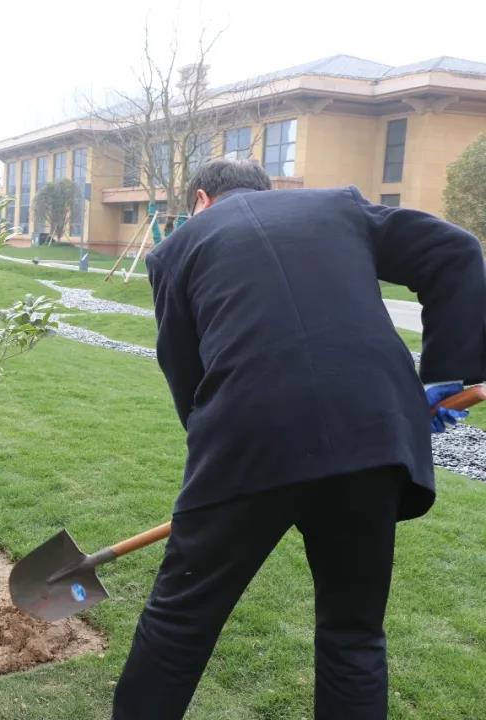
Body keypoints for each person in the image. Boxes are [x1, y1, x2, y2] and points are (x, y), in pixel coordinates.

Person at [112, 159, 485, 719]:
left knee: (179, 622)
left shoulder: (178, 246)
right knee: (352, 634)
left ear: (200, 200)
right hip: (375, 434)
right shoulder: (339, 205)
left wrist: (220, 460)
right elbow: (456, 251)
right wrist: (444, 375)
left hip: (247, 439)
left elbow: (183, 370)